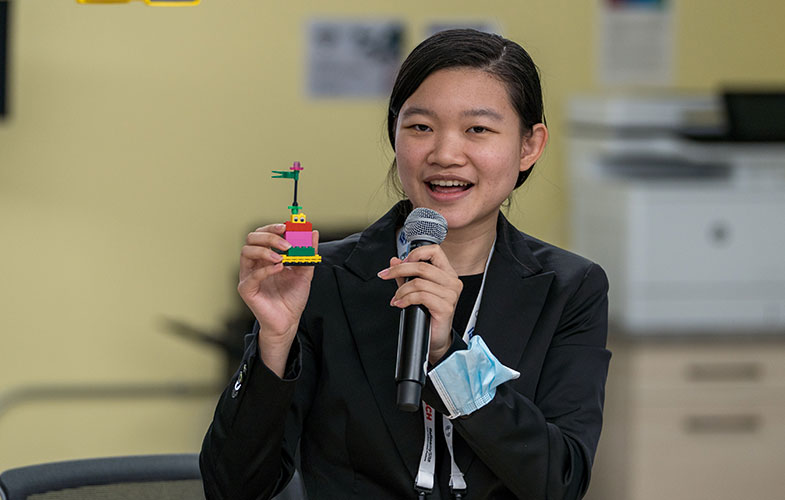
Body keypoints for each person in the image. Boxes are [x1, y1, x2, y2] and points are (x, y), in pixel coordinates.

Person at [200, 29, 610, 500]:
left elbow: (560, 483)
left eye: (477, 129)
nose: (445, 154)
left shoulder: (569, 288)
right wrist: (274, 343)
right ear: (395, 135)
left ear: (528, 146)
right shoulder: (323, 280)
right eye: (420, 127)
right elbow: (232, 488)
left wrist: (447, 356)